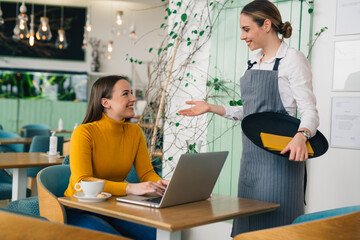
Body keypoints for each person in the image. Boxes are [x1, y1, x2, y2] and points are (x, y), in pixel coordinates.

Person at [178, 0, 319, 236]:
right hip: (251, 163)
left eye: (246, 29)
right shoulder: (253, 63)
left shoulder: (292, 60)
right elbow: (251, 112)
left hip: (280, 162)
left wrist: (301, 136)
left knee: (277, 231)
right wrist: (211, 107)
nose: (243, 37)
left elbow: (310, 111)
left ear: (266, 25)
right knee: (247, 231)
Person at [64, 75, 169, 240]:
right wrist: (130, 188)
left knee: (158, 236)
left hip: (115, 207)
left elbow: (147, 172)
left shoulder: (135, 132)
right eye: (125, 94)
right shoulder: (84, 132)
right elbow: (81, 181)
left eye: (132, 93)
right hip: (81, 210)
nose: (133, 98)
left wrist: (160, 186)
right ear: (106, 102)